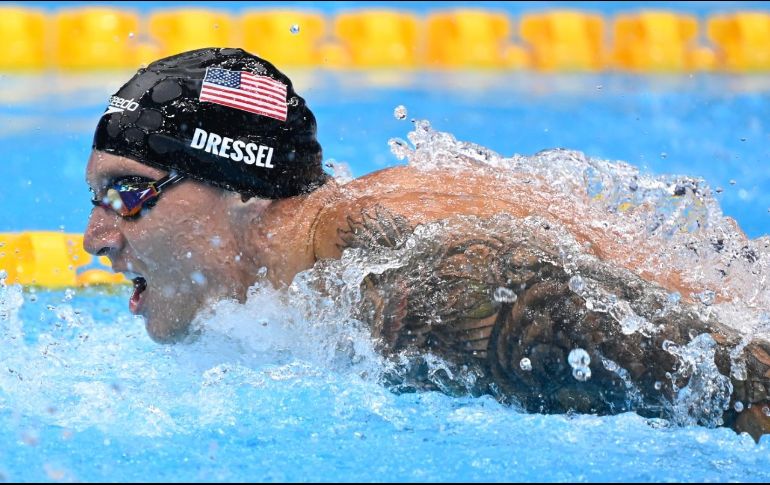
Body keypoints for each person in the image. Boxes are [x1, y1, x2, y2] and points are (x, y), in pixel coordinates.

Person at [84, 48, 770, 440]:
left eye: (126, 191)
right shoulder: (319, 275)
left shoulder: (416, 280)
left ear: (242, 188)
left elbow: (740, 382)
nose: (95, 238)